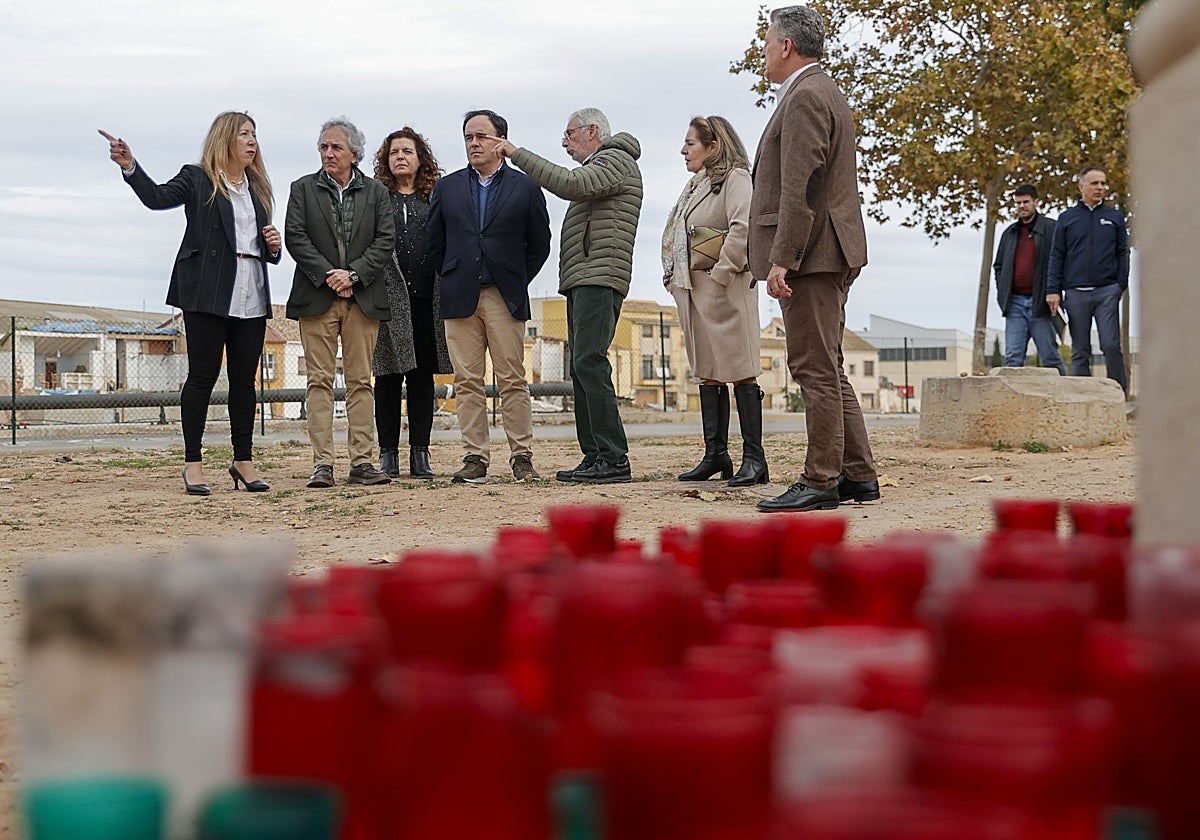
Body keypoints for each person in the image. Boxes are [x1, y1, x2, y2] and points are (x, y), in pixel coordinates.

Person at [100, 113, 281, 496]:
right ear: (226, 139)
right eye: (245, 134)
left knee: (245, 382)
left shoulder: (258, 187)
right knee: (203, 376)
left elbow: (260, 242)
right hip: (207, 291)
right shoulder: (198, 178)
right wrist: (130, 166)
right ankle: (193, 464)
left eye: (255, 135)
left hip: (251, 289)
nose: (252, 141)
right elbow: (157, 198)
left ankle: (243, 461)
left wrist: (274, 246)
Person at [749, 6, 880, 513]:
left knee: (814, 369)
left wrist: (783, 257)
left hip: (813, 254)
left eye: (766, 42)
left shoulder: (805, 96)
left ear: (786, 46)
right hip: (826, 248)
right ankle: (858, 475)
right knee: (828, 366)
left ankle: (821, 479)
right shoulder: (820, 91)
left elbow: (799, 186)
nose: (763, 52)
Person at [492, 107, 643, 484]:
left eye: (570, 133)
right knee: (581, 366)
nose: (564, 142)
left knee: (589, 362)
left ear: (593, 131)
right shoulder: (603, 166)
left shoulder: (615, 161)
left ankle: (613, 456)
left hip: (599, 277)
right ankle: (594, 456)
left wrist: (517, 153)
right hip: (585, 277)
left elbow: (569, 184)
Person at [426, 110, 551, 484]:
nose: (474, 143)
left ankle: (521, 457)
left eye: (482, 136)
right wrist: (452, 275)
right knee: (467, 381)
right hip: (459, 297)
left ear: (501, 142)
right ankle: (474, 458)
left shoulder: (525, 187)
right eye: (468, 137)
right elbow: (435, 245)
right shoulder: (446, 188)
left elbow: (540, 244)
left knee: (512, 379)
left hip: (504, 296)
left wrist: (513, 278)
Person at [285, 117, 395, 488]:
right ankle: (322, 465)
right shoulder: (301, 189)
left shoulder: (377, 192)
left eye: (335, 147)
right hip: (317, 296)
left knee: (360, 381)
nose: (328, 153)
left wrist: (354, 275)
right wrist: (330, 274)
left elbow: (385, 240)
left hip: (363, 298)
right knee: (318, 381)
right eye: (323, 147)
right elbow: (296, 238)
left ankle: (363, 462)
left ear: (355, 153)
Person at [663, 115, 767, 487]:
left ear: (714, 145)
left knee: (741, 368)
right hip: (695, 290)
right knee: (707, 370)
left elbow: (743, 226)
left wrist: (722, 273)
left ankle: (755, 460)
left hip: (725, 288)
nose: (683, 149)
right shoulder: (696, 184)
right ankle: (716, 454)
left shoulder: (736, 179)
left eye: (690, 143)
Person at [371, 127, 453, 479]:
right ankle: (387, 454)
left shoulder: (436, 196)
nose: (400, 157)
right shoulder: (376, 197)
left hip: (426, 300)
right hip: (387, 301)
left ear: (421, 157)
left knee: (421, 379)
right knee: (387, 377)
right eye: (393, 152)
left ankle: (420, 453)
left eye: (407, 151)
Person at [1045, 166, 1130, 394]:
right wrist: (1053, 289)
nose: (1100, 188)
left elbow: (1123, 252)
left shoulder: (1114, 218)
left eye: (1103, 183)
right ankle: (1082, 397)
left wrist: (1120, 284)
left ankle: (1117, 395)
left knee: (1111, 345)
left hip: (1107, 292)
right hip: (1075, 294)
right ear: (1081, 186)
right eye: (1094, 183)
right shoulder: (1067, 219)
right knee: (1080, 350)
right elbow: (1056, 256)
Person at [993, 185, 1066, 375]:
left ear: (1036, 202)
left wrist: (1055, 291)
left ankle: (1064, 397)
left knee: (1050, 356)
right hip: (1014, 303)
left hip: (1041, 303)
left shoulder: (1051, 228)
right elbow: (999, 266)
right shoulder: (1009, 233)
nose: (1022, 206)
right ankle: (1009, 402)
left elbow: (1061, 261)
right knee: (1012, 357)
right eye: (1018, 203)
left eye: (1026, 202)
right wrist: (1003, 294)